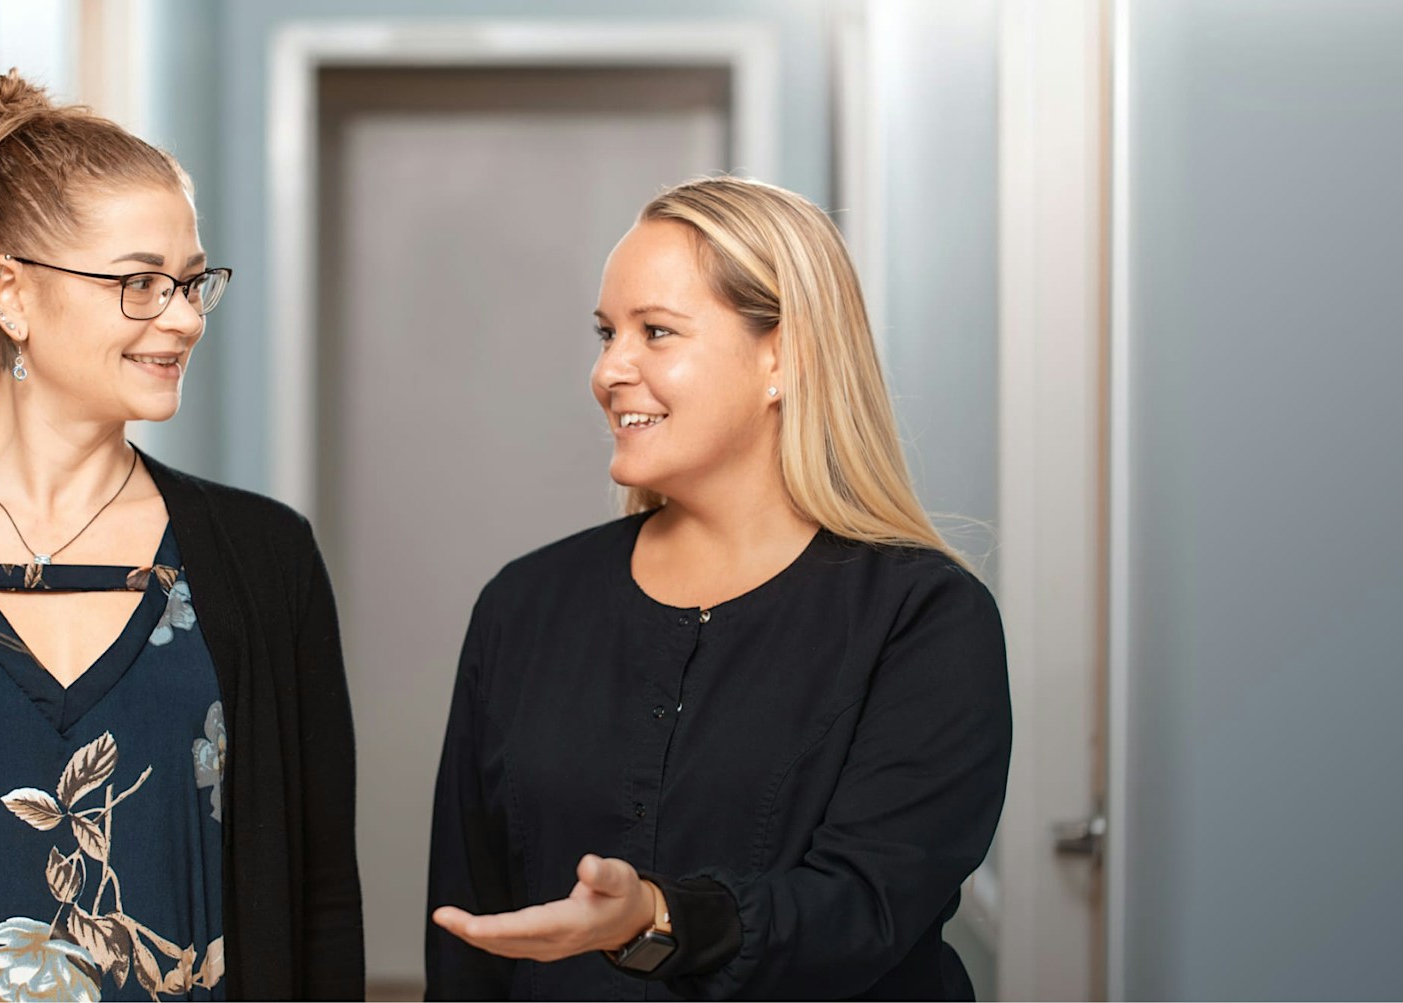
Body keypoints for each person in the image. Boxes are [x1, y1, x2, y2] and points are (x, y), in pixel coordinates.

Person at [0, 71, 363, 1000]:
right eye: (140, 283)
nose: (184, 316)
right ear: (9, 294)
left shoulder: (265, 558)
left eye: (193, 282)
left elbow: (319, 898)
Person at [426, 177, 1012, 999]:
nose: (607, 371)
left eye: (656, 332)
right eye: (606, 333)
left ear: (784, 355)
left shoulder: (924, 618)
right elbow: (469, 936)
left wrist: (659, 917)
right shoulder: (524, 606)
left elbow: (867, 905)